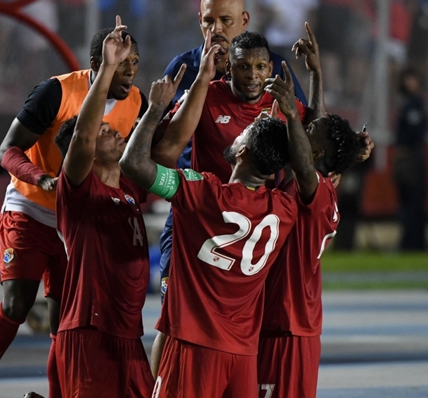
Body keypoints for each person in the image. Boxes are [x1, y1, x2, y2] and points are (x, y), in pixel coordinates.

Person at [0, 28, 147, 398]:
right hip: (30, 208)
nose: (130, 73)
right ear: (97, 64)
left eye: (135, 64)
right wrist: (41, 178)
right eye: (122, 64)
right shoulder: (57, 92)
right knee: (17, 303)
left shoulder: (136, 102)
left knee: (65, 322)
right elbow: (7, 151)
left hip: (75, 225)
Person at [120, 70, 298, 398]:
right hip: (244, 353)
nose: (236, 135)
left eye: (243, 134)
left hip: (193, 345)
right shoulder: (284, 210)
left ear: (242, 152)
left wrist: (155, 109)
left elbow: (132, 163)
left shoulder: (202, 192)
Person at [149, 30, 311, 376]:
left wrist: (315, 76)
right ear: (229, 69)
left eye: (260, 67)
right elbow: (161, 153)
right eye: (243, 67)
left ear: (270, 67)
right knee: (175, 315)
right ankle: (159, 385)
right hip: (202, 219)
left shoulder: (283, 105)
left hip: (254, 228)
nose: (252, 75)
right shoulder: (206, 95)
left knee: (251, 319)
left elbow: (311, 149)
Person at [51, 17, 168, 397]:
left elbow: (166, 148)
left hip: (128, 334)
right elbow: (83, 135)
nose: (116, 130)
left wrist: (194, 86)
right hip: (90, 332)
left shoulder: (129, 185)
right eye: (106, 130)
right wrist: (107, 68)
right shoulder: (79, 190)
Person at [257, 26, 371, 398]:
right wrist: (317, 75)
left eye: (309, 133)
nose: (303, 130)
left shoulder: (316, 189)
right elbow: (315, 147)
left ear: (316, 154)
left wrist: (290, 109)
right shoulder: (317, 185)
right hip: (287, 323)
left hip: (288, 326)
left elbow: (308, 161)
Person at [393, 67, 428, 251]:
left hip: (412, 156)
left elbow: (415, 132)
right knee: (408, 200)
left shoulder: (415, 104)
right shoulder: (408, 103)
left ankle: (414, 243)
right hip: (408, 156)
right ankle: (411, 241)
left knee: (413, 200)